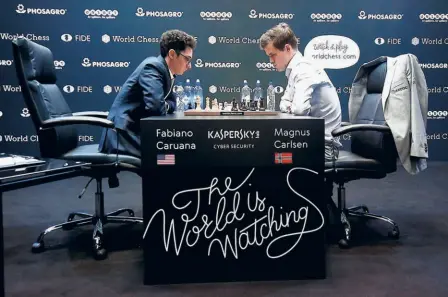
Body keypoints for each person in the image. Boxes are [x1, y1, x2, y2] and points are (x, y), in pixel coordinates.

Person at [98, 29, 196, 158]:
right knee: (171, 157)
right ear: (172, 54)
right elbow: (156, 108)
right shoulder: (153, 67)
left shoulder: (167, 73)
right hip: (123, 136)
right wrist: (164, 105)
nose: (189, 66)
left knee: (175, 154)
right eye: (187, 59)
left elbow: (173, 103)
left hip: (133, 132)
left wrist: (164, 105)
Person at [259, 23, 342, 161]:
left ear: (287, 48)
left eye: (273, 55)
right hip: (306, 142)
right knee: (264, 153)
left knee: (271, 159)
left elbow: (299, 110)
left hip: (322, 149)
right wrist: (290, 106)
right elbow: (283, 104)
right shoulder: (295, 70)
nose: (270, 61)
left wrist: (291, 106)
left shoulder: (304, 70)